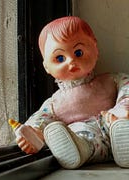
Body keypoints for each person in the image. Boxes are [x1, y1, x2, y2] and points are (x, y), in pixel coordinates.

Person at [16, 16, 129, 169]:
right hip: (86, 139)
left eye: (78, 53)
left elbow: (127, 88)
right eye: (60, 57)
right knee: (79, 135)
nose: (71, 61)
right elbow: (39, 120)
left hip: (114, 124)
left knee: (122, 124)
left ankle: (124, 141)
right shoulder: (55, 103)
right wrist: (32, 136)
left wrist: (122, 108)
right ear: (46, 67)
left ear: (95, 49)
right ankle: (78, 150)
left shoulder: (112, 80)